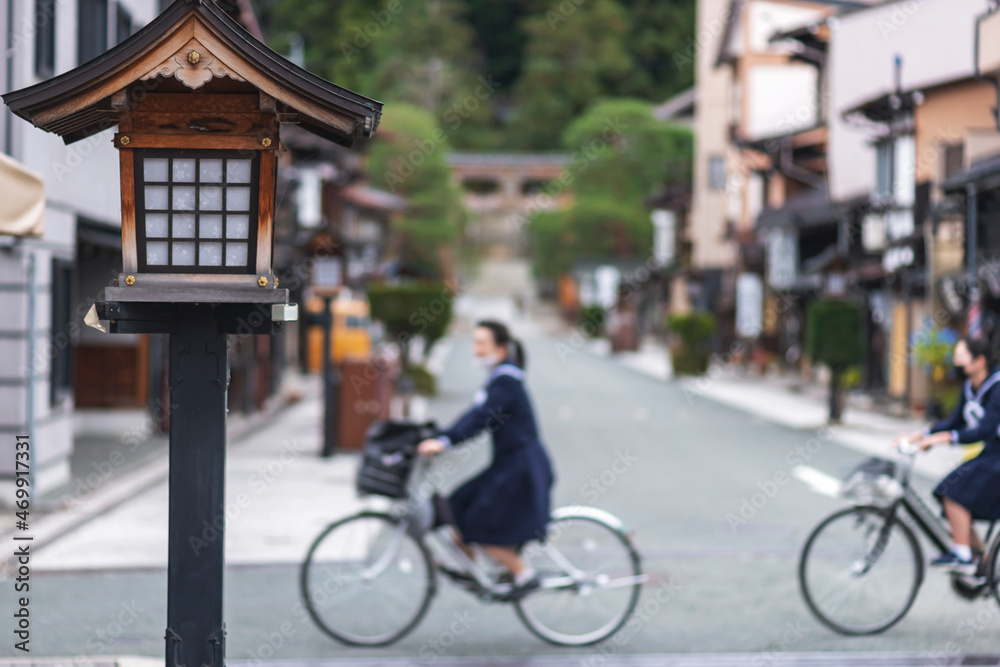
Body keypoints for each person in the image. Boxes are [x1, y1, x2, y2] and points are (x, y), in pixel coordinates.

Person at [417, 320, 555, 596]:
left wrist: (445, 441)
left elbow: (481, 418)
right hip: (509, 465)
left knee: (480, 525)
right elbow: (473, 414)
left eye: (482, 343)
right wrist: (442, 435)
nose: (475, 349)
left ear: (501, 349)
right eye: (474, 342)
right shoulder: (500, 379)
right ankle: (471, 568)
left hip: (520, 470)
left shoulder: (507, 382)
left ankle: (522, 573)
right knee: (457, 504)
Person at [899, 338, 1000, 573]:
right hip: (991, 454)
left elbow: (983, 430)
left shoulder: (997, 387)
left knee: (955, 493)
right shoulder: (970, 386)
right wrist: (920, 434)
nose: (956, 362)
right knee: (946, 494)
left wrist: (944, 439)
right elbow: (955, 421)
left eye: (961, 357)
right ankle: (982, 561)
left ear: (980, 361)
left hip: (996, 457)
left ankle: (963, 554)